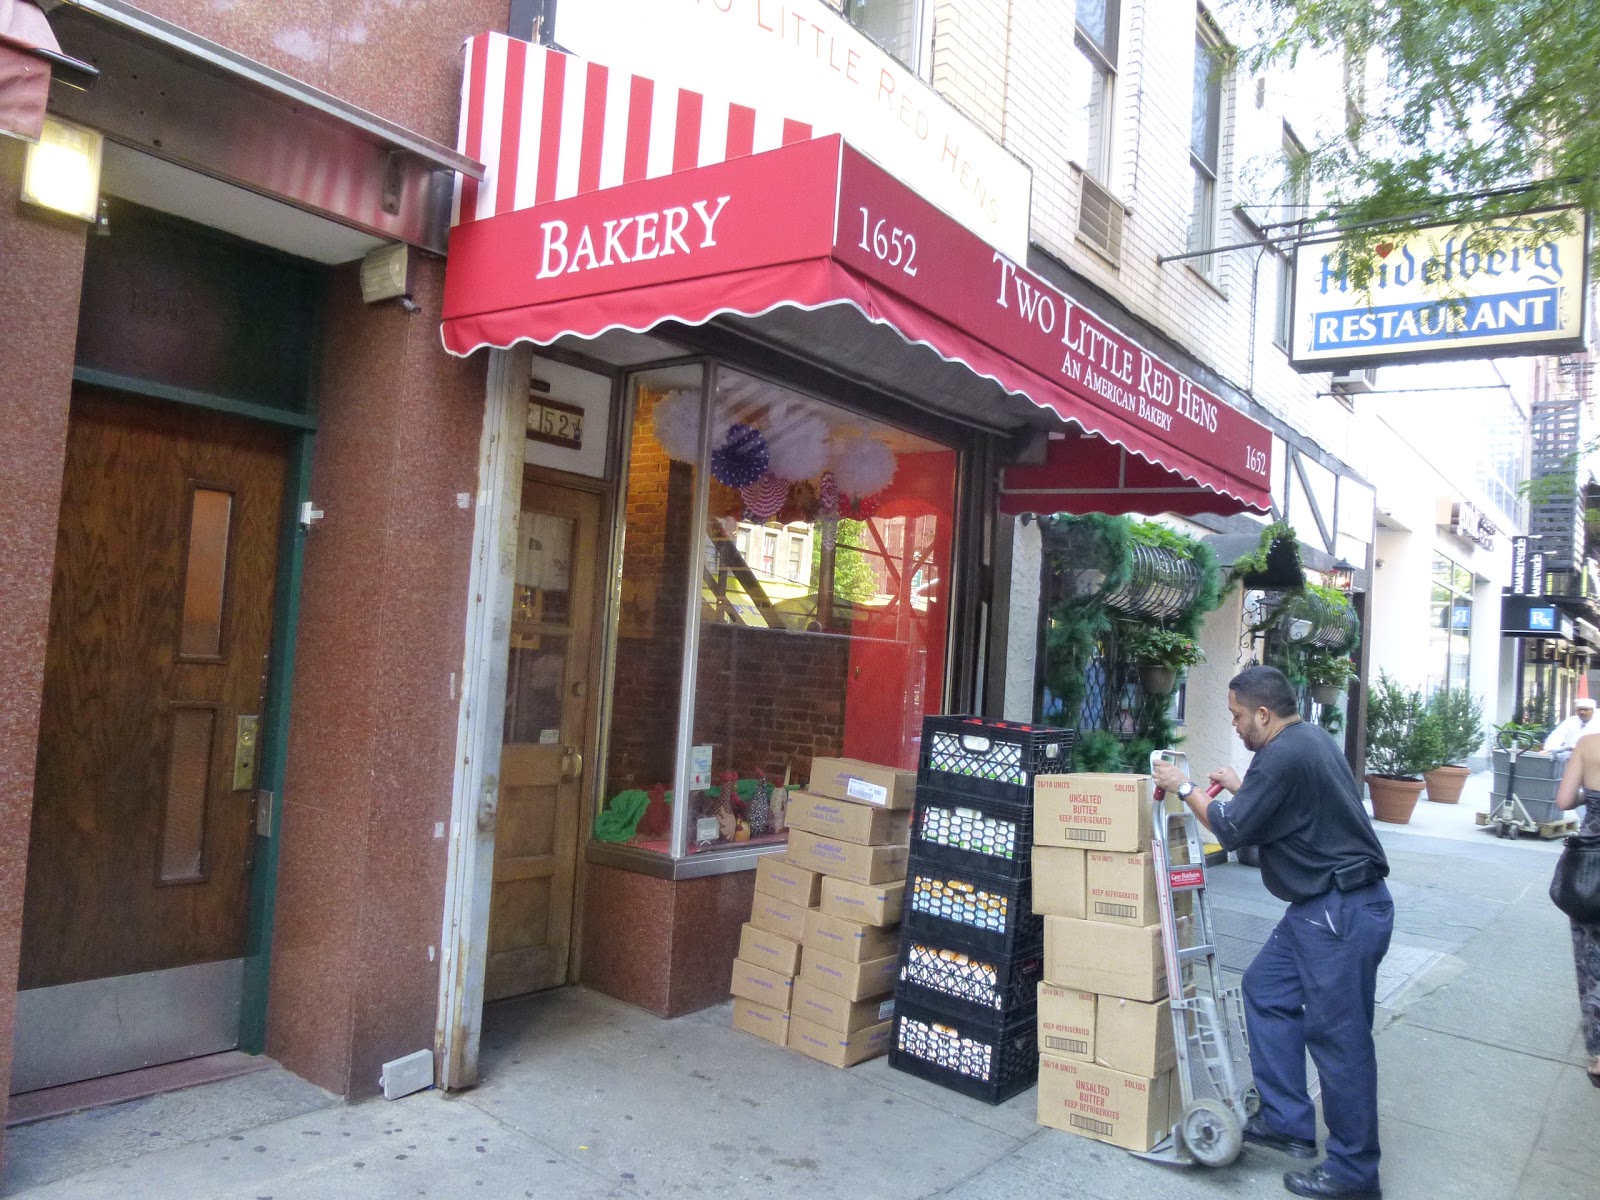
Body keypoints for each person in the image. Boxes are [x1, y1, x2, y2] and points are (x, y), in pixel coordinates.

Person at [1151, 665, 1392, 1200]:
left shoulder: (1284, 754)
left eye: (1238, 716)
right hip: (1323, 907)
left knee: (1339, 1041)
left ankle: (1355, 1173)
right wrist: (1240, 788)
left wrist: (1183, 786)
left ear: (1264, 713)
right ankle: (1287, 1121)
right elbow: (1279, 809)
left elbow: (1233, 829)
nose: (1235, 725)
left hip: (1338, 910)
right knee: (1264, 990)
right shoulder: (1306, 742)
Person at [1553, 732, 1600, 1088]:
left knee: (1591, 960)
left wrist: (1590, 792)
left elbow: (1565, 800)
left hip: (1591, 867)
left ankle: (1599, 1055)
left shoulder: (1588, 744)